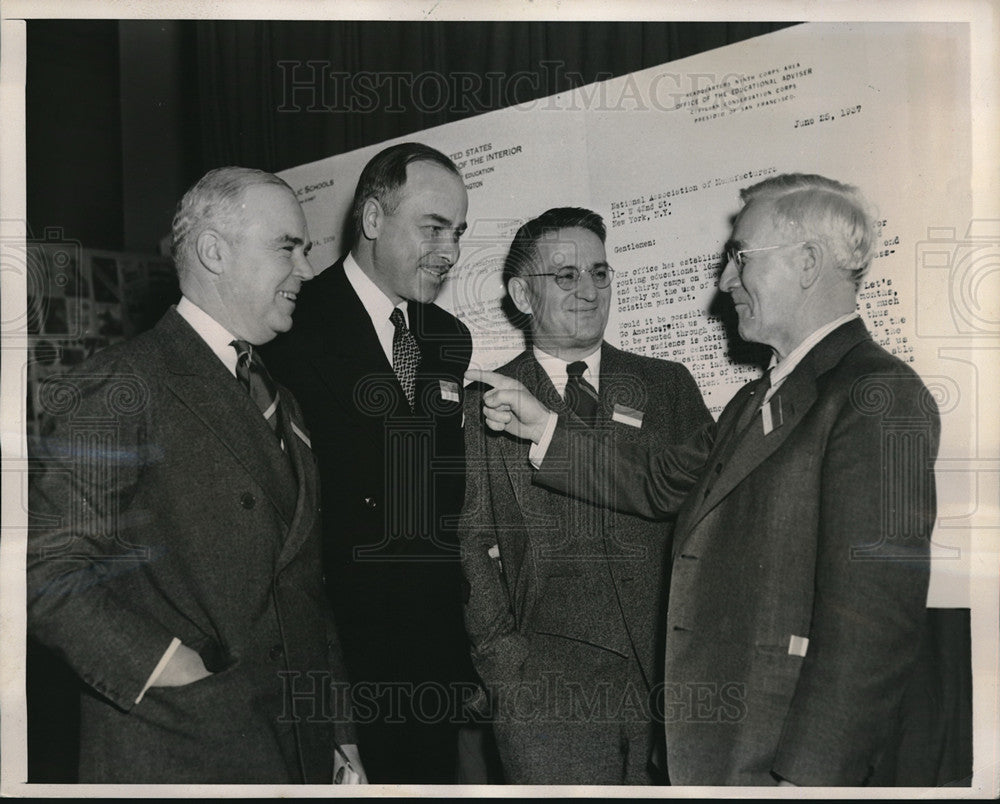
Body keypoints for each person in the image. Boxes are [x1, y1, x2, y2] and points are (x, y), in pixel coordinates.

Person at [469, 174, 941, 786]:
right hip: (718, 742)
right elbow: (663, 479)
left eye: (740, 258)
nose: (723, 281)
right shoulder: (757, 398)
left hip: (782, 752)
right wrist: (546, 431)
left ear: (806, 263)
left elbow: (873, 629)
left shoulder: (880, 396)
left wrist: (809, 780)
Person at [26, 167, 364, 783]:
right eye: (287, 247)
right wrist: (168, 668)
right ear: (214, 251)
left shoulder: (282, 399)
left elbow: (304, 588)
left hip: (299, 747)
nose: (307, 271)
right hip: (183, 745)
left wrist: (338, 735)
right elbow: (43, 568)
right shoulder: (122, 382)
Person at [460, 207, 711, 784]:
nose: (589, 291)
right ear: (522, 294)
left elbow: (707, 514)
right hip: (545, 694)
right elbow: (469, 547)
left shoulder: (667, 385)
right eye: (566, 276)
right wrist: (506, 671)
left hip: (670, 683)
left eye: (600, 273)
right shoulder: (482, 404)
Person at [263, 142, 487, 783]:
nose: (450, 251)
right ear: (371, 220)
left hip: (430, 651)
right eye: (433, 228)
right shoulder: (293, 323)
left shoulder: (447, 337)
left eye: (459, 233)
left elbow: (440, 498)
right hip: (337, 651)